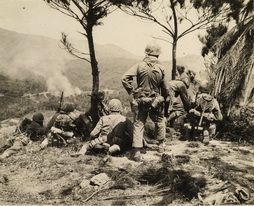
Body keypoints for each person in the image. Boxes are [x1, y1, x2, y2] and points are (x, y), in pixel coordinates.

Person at [121, 41, 170, 159]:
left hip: (140, 99)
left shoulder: (138, 65)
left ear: (146, 53)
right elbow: (166, 88)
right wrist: (163, 98)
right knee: (159, 121)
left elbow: (124, 78)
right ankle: (161, 146)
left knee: (138, 124)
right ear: (158, 54)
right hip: (155, 100)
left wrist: (132, 91)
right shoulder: (162, 68)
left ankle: (137, 151)